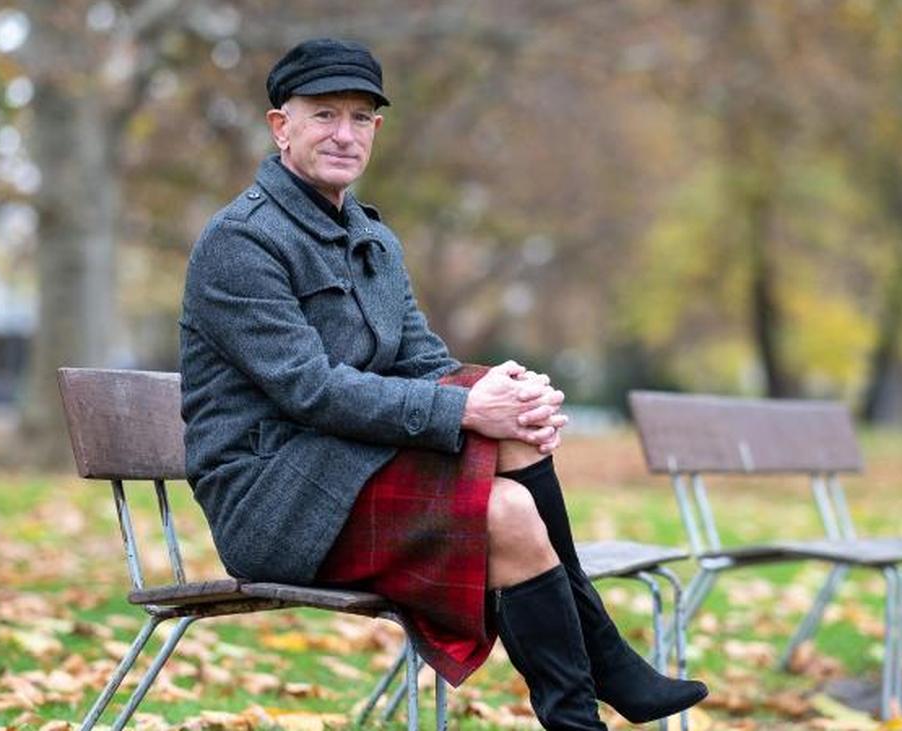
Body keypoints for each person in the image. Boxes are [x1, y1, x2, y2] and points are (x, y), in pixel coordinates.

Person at [179, 37, 708, 729]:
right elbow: (311, 390)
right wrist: (465, 409)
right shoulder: (241, 242)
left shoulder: (374, 240)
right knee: (506, 510)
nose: (344, 134)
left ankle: (594, 688)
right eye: (324, 114)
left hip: (350, 466)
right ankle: (602, 669)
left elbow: (424, 361)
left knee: (515, 449)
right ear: (281, 126)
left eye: (360, 118)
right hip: (275, 501)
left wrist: (508, 394)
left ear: (377, 129)